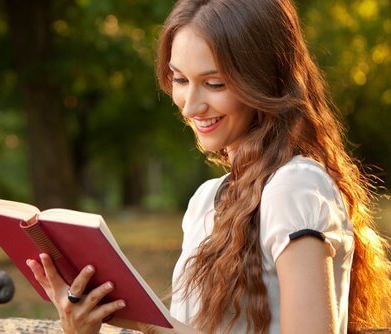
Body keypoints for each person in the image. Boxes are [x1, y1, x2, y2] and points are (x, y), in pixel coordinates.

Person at [27, 0, 390, 333]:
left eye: (214, 83)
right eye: (180, 80)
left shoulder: (294, 185)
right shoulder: (205, 201)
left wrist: (153, 325)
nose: (189, 107)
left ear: (265, 80)